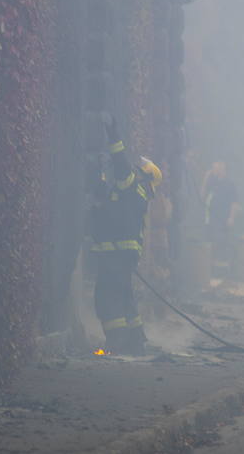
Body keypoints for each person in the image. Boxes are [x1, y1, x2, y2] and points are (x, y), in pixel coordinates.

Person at [88, 112, 161, 355]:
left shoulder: (133, 184)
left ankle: (115, 343)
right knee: (124, 294)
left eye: (140, 169)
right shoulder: (134, 193)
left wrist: (113, 136)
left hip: (115, 251)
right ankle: (135, 340)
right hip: (122, 252)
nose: (135, 169)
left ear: (145, 176)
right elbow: (110, 205)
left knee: (107, 297)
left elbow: (121, 163)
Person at [200, 161, 240, 276]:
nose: (214, 171)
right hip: (209, 220)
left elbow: (235, 203)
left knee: (220, 244)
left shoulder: (229, 184)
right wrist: (205, 179)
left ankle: (221, 272)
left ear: (223, 170)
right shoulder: (211, 183)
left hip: (221, 220)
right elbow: (201, 196)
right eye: (213, 168)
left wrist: (231, 217)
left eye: (216, 168)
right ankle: (209, 271)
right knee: (210, 244)